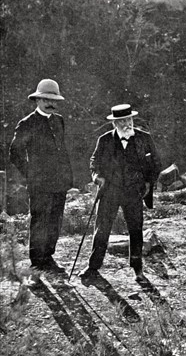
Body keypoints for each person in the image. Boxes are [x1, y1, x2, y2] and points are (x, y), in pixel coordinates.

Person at [80, 104, 161, 282]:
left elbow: (156, 163)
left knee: (135, 229)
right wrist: (96, 177)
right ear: (114, 123)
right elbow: (94, 161)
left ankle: (137, 269)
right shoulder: (104, 140)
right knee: (102, 229)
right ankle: (93, 267)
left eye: (128, 120)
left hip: (134, 191)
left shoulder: (144, 138)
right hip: (109, 191)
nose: (126, 124)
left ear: (132, 120)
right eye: (121, 121)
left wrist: (148, 182)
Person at [9, 79, 73, 272]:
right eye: (45, 99)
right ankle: (37, 262)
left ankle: (49, 257)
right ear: (37, 100)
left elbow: (61, 151)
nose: (50, 103)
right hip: (39, 184)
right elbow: (15, 153)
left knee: (55, 219)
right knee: (40, 221)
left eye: (53, 100)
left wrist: (66, 175)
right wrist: (31, 174)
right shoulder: (27, 124)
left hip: (59, 182)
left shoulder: (58, 120)